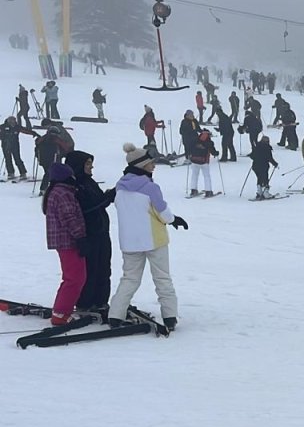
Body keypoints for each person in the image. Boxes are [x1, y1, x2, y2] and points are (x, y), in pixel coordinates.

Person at [107, 143, 184, 332]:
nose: (154, 165)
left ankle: (115, 315)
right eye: (151, 163)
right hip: (154, 241)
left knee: (129, 279)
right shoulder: (150, 187)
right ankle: (170, 316)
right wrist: (174, 220)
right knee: (162, 278)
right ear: (142, 166)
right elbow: (163, 214)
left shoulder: (119, 187)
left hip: (129, 242)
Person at [64, 150, 115, 315]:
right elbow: (85, 208)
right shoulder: (74, 185)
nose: (91, 166)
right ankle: (85, 303)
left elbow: (99, 202)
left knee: (104, 268)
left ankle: (101, 301)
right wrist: (106, 198)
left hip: (101, 231)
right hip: (87, 234)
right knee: (90, 269)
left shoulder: (89, 181)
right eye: (87, 163)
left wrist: (108, 197)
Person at [42, 162, 87, 325]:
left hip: (65, 241)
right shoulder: (63, 193)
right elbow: (69, 217)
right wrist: (81, 237)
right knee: (75, 278)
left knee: (72, 277)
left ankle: (61, 309)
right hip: (68, 241)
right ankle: (61, 313)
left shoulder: (59, 191)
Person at [187, 128, 218, 197]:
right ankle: (208, 191)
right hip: (204, 162)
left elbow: (189, 148)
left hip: (194, 161)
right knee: (206, 176)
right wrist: (216, 153)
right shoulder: (209, 142)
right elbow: (213, 152)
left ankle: (193, 190)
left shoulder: (195, 140)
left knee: (194, 175)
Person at [1, 115, 31, 180]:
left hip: (15, 146)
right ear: (8, 121)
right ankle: (10, 173)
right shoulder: (3, 127)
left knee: (17, 159)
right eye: (11, 121)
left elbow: (26, 130)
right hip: (5, 146)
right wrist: (4, 138)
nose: (13, 122)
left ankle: (23, 173)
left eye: (14, 121)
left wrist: (34, 133)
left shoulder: (17, 127)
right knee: (8, 159)